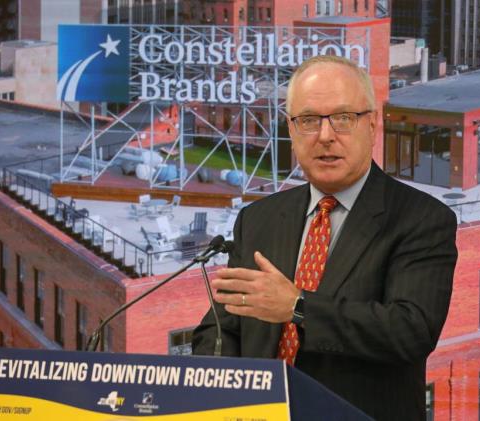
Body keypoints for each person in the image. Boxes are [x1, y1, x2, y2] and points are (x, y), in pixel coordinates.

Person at [192, 55, 458, 420]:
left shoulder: (421, 219)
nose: (326, 135)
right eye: (309, 120)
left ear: (373, 125)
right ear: (291, 129)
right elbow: (219, 329)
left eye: (344, 118)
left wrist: (298, 306)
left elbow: (410, 332)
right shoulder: (258, 219)